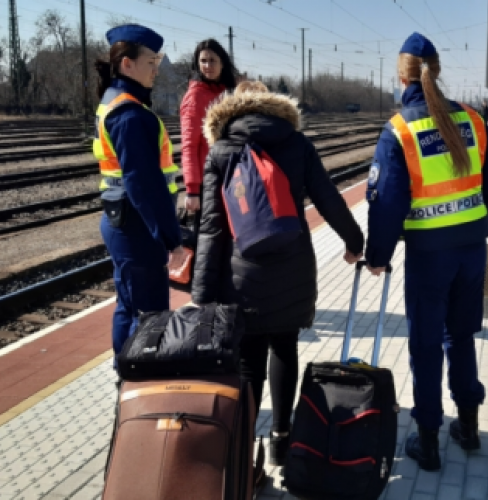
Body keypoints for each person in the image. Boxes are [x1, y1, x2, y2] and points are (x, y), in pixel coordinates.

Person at [191, 82, 365, 466]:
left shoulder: (221, 151)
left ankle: (245, 448)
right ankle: (282, 440)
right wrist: (355, 241)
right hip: (293, 264)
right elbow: (327, 197)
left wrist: (201, 294)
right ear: (276, 106)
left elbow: (211, 227)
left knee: (249, 359)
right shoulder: (297, 143)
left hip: (241, 272)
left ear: (232, 108)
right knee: (284, 348)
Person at [364, 33, 488, 472]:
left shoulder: (400, 129)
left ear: (401, 74)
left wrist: (377, 255)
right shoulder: (472, 119)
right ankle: (468, 426)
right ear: (438, 68)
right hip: (470, 251)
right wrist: (477, 211)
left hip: (429, 257)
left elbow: (388, 202)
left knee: (426, 344)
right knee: (460, 336)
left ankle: (427, 440)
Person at [93, 24, 186, 367]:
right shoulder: (131, 114)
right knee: (150, 317)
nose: (156, 69)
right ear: (127, 64)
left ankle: (126, 375)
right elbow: (144, 185)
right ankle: (140, 384)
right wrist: (171, 238)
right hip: (138, 226)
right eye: (151, 61)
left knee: (129, 306)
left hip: (122, 222)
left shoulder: (113, 102)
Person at [180, 39, 238, 213]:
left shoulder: (230, 92)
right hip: (210, 181)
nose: (207, 66)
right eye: (203, 61)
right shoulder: (195, 97)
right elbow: (189, 145)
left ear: (222, 63)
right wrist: (192, 190)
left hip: (232, 176)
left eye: (212, 60)